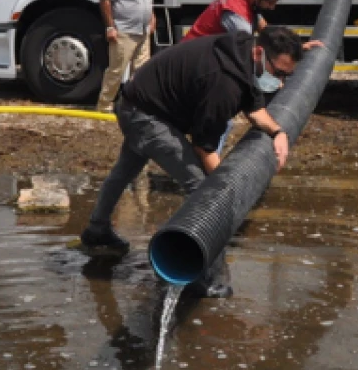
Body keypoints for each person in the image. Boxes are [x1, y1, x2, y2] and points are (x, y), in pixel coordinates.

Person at [80, 26, 305, 299]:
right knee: (203, 189)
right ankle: (202, 276)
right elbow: (205, 146)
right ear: (259, 53)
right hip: (145, 115)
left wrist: (278, 133)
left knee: (127, 167)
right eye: (278, 73)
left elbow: (256, 110)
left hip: (144, 103)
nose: (280, 83)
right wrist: (226, 191)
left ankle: (97, 229)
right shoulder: (224, 83)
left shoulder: (244, 55)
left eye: (286, 77)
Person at [183, 0, 322, 154]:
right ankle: (207, 172)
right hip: (193, 67)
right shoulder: (236, 16)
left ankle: (202, 163)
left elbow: (267, 33)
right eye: (270, 2)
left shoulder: (247, 2)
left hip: (205, 61)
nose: (272, 8)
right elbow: (247, 57)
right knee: (219, 120)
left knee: (217, 122)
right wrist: (270, 80)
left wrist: (297, 47)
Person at [96, 0, 158, 113]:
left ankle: (134, 106)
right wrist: (110, 27)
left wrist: (151, 17)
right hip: (124, 31)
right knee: (116, 70)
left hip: (143, 31)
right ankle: (104, 105)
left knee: (141, 72)